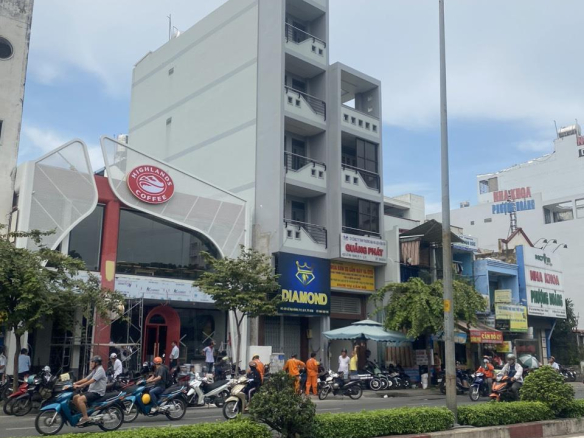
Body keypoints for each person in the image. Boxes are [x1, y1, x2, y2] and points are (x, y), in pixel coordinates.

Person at [72, 356, 107, 426]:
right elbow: (86, 379)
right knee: (75, 397)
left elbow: (92, 380)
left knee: (80, 400)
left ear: (97, 363)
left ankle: (85, 417)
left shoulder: (100, 370)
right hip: (91, 391)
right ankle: (82, 413)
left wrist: (80, 386)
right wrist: (75, 383)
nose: (91, 363)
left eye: (92, 362)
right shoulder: (95, 370)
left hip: (97, 393)